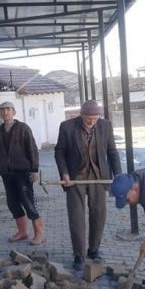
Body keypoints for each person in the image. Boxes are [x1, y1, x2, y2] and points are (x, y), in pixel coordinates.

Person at [54, 100, 122, 270]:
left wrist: (119, 175)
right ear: (81, 115)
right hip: (75, 176)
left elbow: (112, 152)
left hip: (98, 176)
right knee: (76, 216)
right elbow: (59, 151)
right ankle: (79, 254)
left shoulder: (105, 126)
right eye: (88, 118)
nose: (91, 121)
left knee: (99, 214)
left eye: (95, 117)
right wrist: (64, 173)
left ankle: (93, 249)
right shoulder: (67, 127)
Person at [0, 101, 44, 245]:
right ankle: (22, 232)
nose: (5, 112)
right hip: (7, 173)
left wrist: (34, 170)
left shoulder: (23, 128)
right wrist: (1, 158)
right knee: (12, 203)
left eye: (8, 109)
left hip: (22, 172)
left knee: (28, 202)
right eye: (3, 110)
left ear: (14, 112)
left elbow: (32, 149)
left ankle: (39, 234)